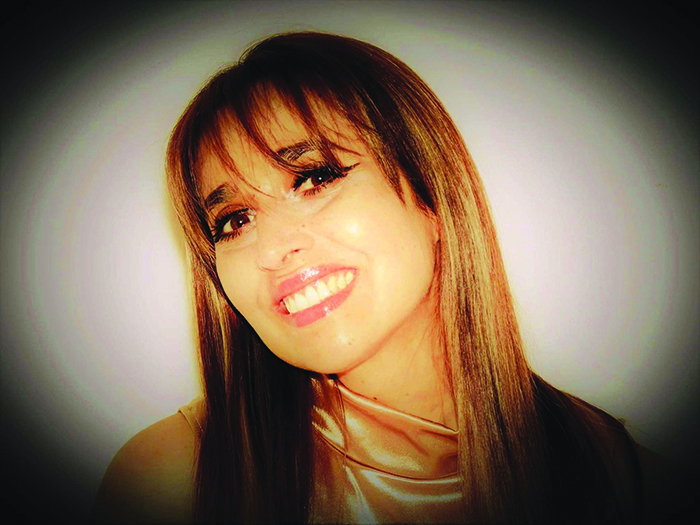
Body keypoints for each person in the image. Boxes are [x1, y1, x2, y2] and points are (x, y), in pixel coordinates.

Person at [92, 31, 678, 524]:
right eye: (235, 220)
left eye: (315, 178)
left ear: (432, 198)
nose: (271, 249)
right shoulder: (170, 481)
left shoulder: (628, 484)